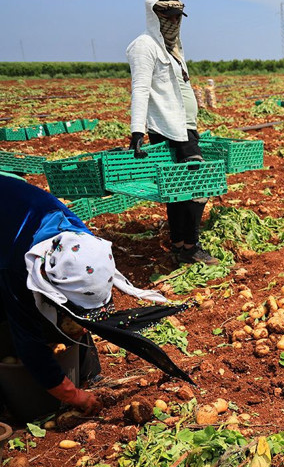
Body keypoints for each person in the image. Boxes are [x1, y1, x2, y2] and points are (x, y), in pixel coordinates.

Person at [0, 176, 190, 420]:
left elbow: (85, 296)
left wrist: (81, 321)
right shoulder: (15, 269)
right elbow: (30, 346)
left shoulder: (82, 243)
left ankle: (90, 372)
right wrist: (74, 396)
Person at [126, 0, 218, 266]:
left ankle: (180, 244)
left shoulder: (173, 46)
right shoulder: (144, 46)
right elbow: (140, 89)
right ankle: (191, 248)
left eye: (178, 17)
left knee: (178, 189)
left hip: (185, 126)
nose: (174, 22)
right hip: (169, 127)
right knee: (197, 187)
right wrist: (136, 131)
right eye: (168, 17)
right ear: (154, 16)